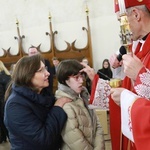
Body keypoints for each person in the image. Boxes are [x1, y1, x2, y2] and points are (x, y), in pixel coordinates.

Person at [4, 54, 71, 150]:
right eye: (41, 70)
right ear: (27, 75)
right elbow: (44, 140)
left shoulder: (43, 94)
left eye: (45, 68)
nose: (47, 73)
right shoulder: (15, 105)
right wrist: (57, 108)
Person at [55, 59, 105, 150]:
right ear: (65, 80)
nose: (81, 81)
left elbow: (97, 124)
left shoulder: (84, 95)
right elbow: (75, 140)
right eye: (76, 77)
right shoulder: (65, 104)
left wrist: (99, 147)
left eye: (82, 76)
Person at [0, 61, 11, 143]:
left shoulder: (2, 77)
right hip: (6, 103)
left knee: (4, 123)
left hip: (2, 104)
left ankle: (4, 137)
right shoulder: (7, 76)